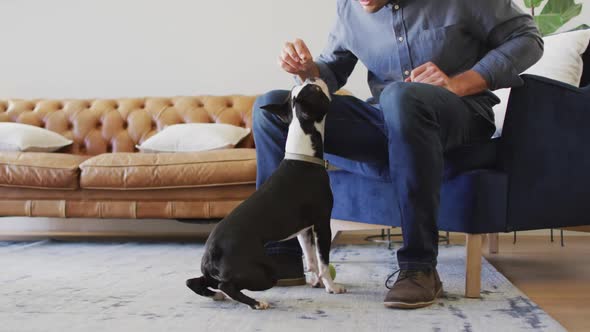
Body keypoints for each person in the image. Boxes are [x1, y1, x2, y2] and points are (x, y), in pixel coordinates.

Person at [252, 0, 543, 309]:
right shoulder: (350, 8)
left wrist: (459, 83)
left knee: (400, 96)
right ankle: (279, 254)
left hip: (460, 114)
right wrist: (308, 70)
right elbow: (332, 70)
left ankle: (419, 267)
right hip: (384, 119)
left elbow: (528, 39)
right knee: (270, 109)